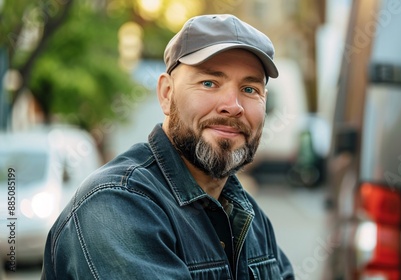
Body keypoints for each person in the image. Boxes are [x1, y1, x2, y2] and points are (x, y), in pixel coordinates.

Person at [42, 14, 294, 279]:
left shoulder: (251, 219)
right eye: (209, 83)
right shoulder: (114, 205)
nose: (233, 105)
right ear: (166, 93)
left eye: (250, 89)